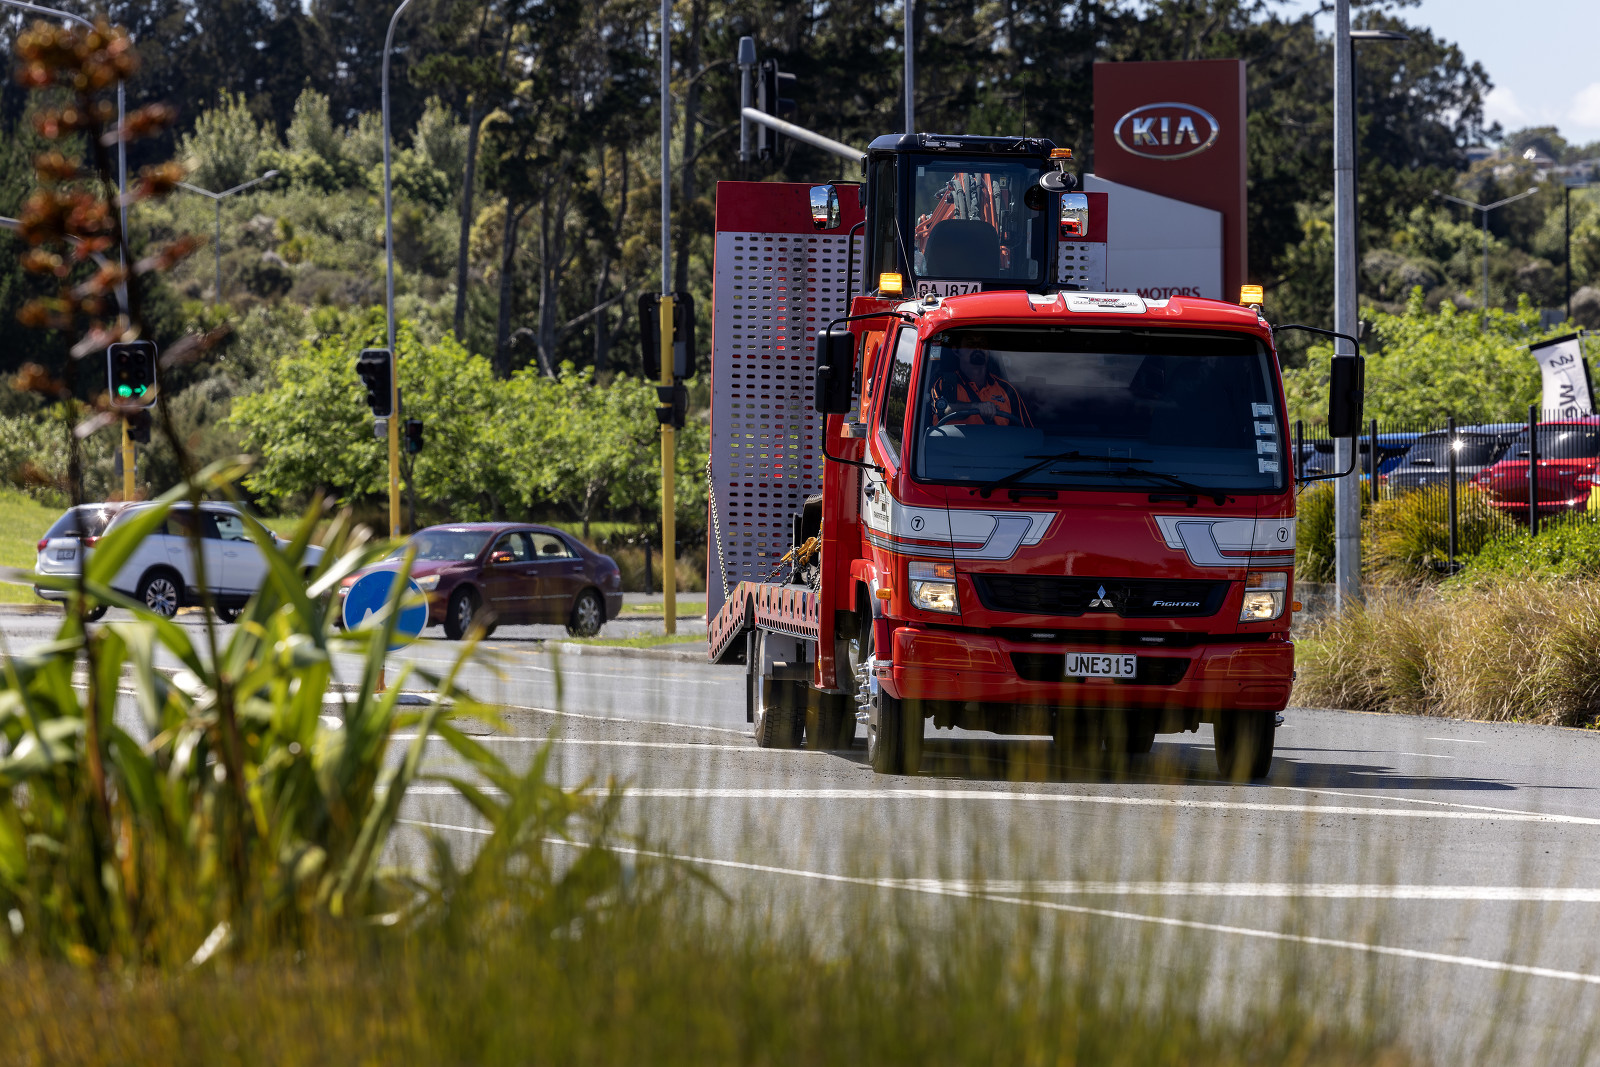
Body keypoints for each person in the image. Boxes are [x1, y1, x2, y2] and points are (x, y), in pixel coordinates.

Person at [931, 347, 1032, 427]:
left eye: (982, 343)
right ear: (956, 350)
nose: (978, 347)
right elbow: (943, 410)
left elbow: (1025, 431)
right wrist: (975, 406)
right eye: (971, 343)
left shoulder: (1006, 388)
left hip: (998, 446)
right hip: (953, 447)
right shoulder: (945, 384)